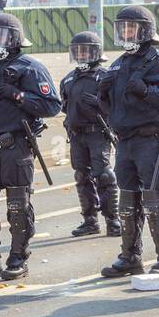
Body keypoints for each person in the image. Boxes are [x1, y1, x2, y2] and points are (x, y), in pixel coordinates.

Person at [0, 13, 61, 281]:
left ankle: (18, 257)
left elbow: (51, 105)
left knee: (18, 206)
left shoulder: (30, 67)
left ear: (12, 38)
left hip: (15, 147)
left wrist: (19, 95)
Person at [98, 6, 159, 277]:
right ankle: (130, 257)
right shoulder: (119, 63)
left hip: (151, 140)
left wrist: (148, 91)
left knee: (154, 199)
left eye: (130, 27)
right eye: (122, 27)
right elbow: (112, 107)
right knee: (127, 201)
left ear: (145, 30)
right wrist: (102, 97)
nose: (125, 33)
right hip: (124, 141)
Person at [60, 29, 120, 239]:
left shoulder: (105, 77)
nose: (82, 55)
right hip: (77, 135)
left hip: (98, 133)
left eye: (86, 51)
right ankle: (90, 220)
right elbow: (64, 105)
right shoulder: (69, 79)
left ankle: (113, 220)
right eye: (78, 51)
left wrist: (100, 105)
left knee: (104, 175)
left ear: (95, 53)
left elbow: (117, 106)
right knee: (81, 176)